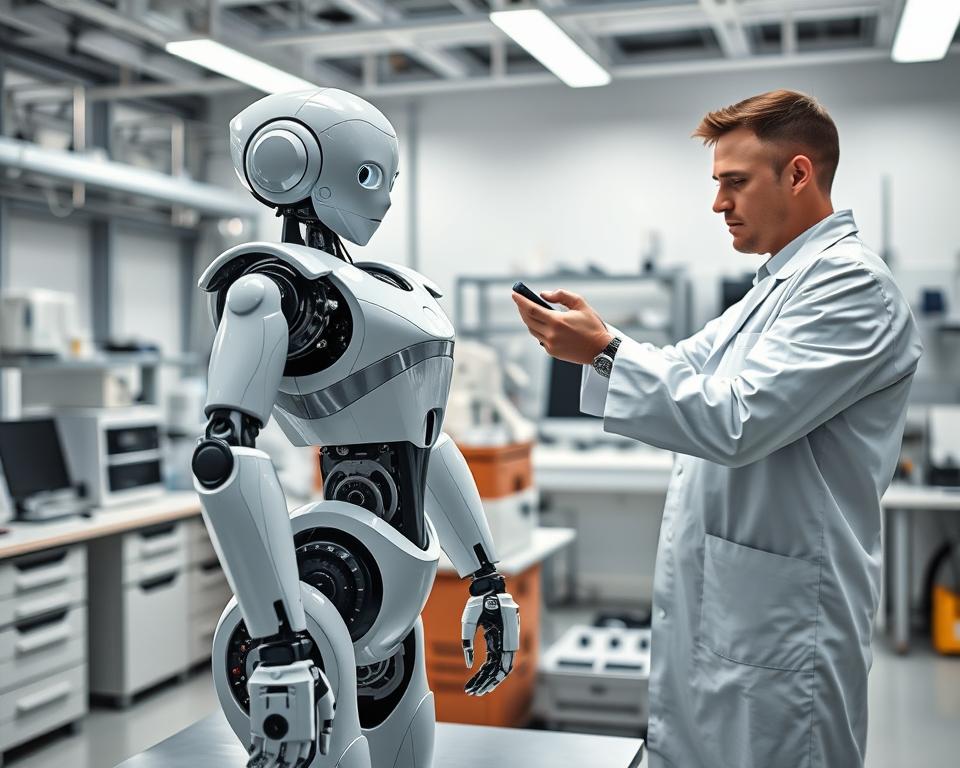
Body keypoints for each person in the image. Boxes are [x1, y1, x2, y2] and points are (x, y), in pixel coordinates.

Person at [513, 89, 923, 768]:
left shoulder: (852, 286)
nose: (717, 204)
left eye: (734, 183)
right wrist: (601, 337)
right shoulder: (772, 286)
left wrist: (604, 352)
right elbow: (684, 368)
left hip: (785, 623)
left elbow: (736, 418)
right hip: (737, 608)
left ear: (797, 174)